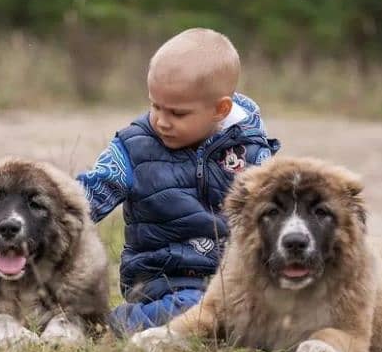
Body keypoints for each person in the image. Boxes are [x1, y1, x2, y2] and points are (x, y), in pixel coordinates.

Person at [77, 28, 281, 335]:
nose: (161, 120)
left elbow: (278, 211)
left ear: (220, 109)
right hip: (165, 280)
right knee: (196, 309)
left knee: (281, 306)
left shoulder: (252, 148)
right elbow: (85, 198)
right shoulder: (133, 147)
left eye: (177, 113)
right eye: (155, 105)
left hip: (237, 276)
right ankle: (114, 323)